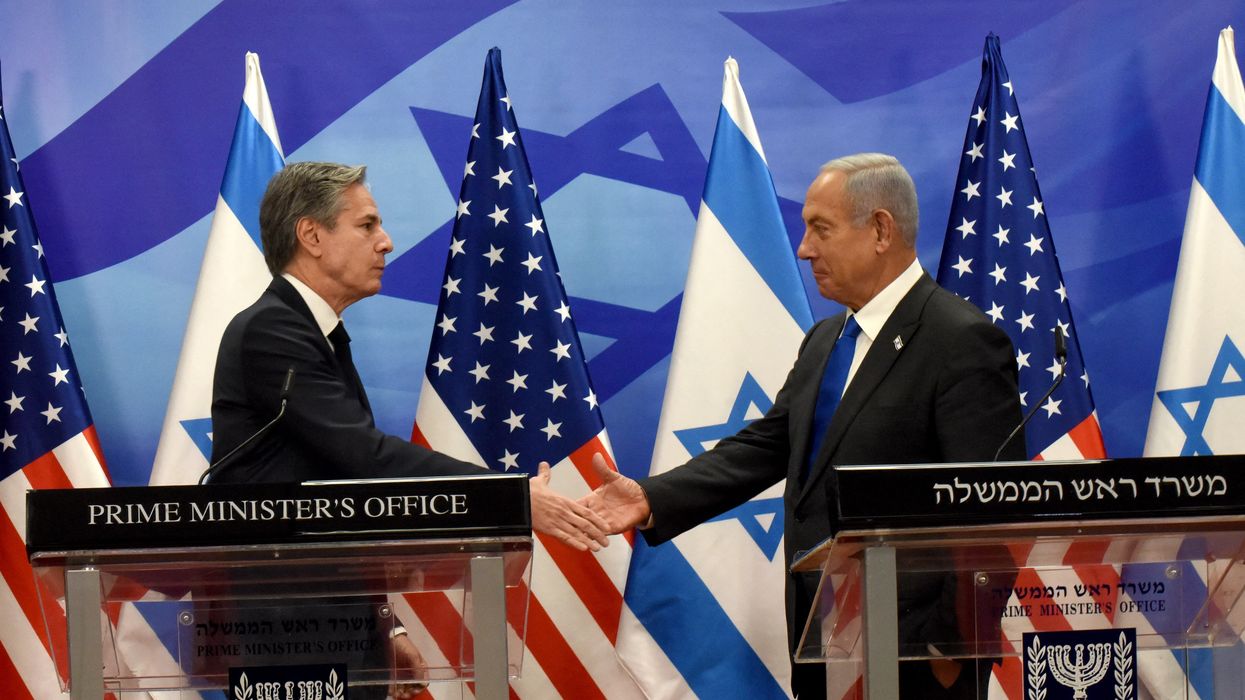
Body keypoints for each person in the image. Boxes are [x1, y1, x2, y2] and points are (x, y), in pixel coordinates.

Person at [582, 153, 1025, 699]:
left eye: (821, 228)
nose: (804, 248)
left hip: (916, 663)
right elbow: (767, 446)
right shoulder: (825, 341)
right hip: (825, 646)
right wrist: (651, 497)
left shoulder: (960, 341)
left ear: (881, 230)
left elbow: (989, 520)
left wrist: (949, 653)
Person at [208, 161, 609, 697]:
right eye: (367, 225)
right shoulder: (272, 330)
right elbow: (366, 458)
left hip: (331, 626)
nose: (387, 242)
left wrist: (383, 624)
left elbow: (338, 495)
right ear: (311, 235)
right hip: (287, 635)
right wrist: (507, 496)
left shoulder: (316, 333)